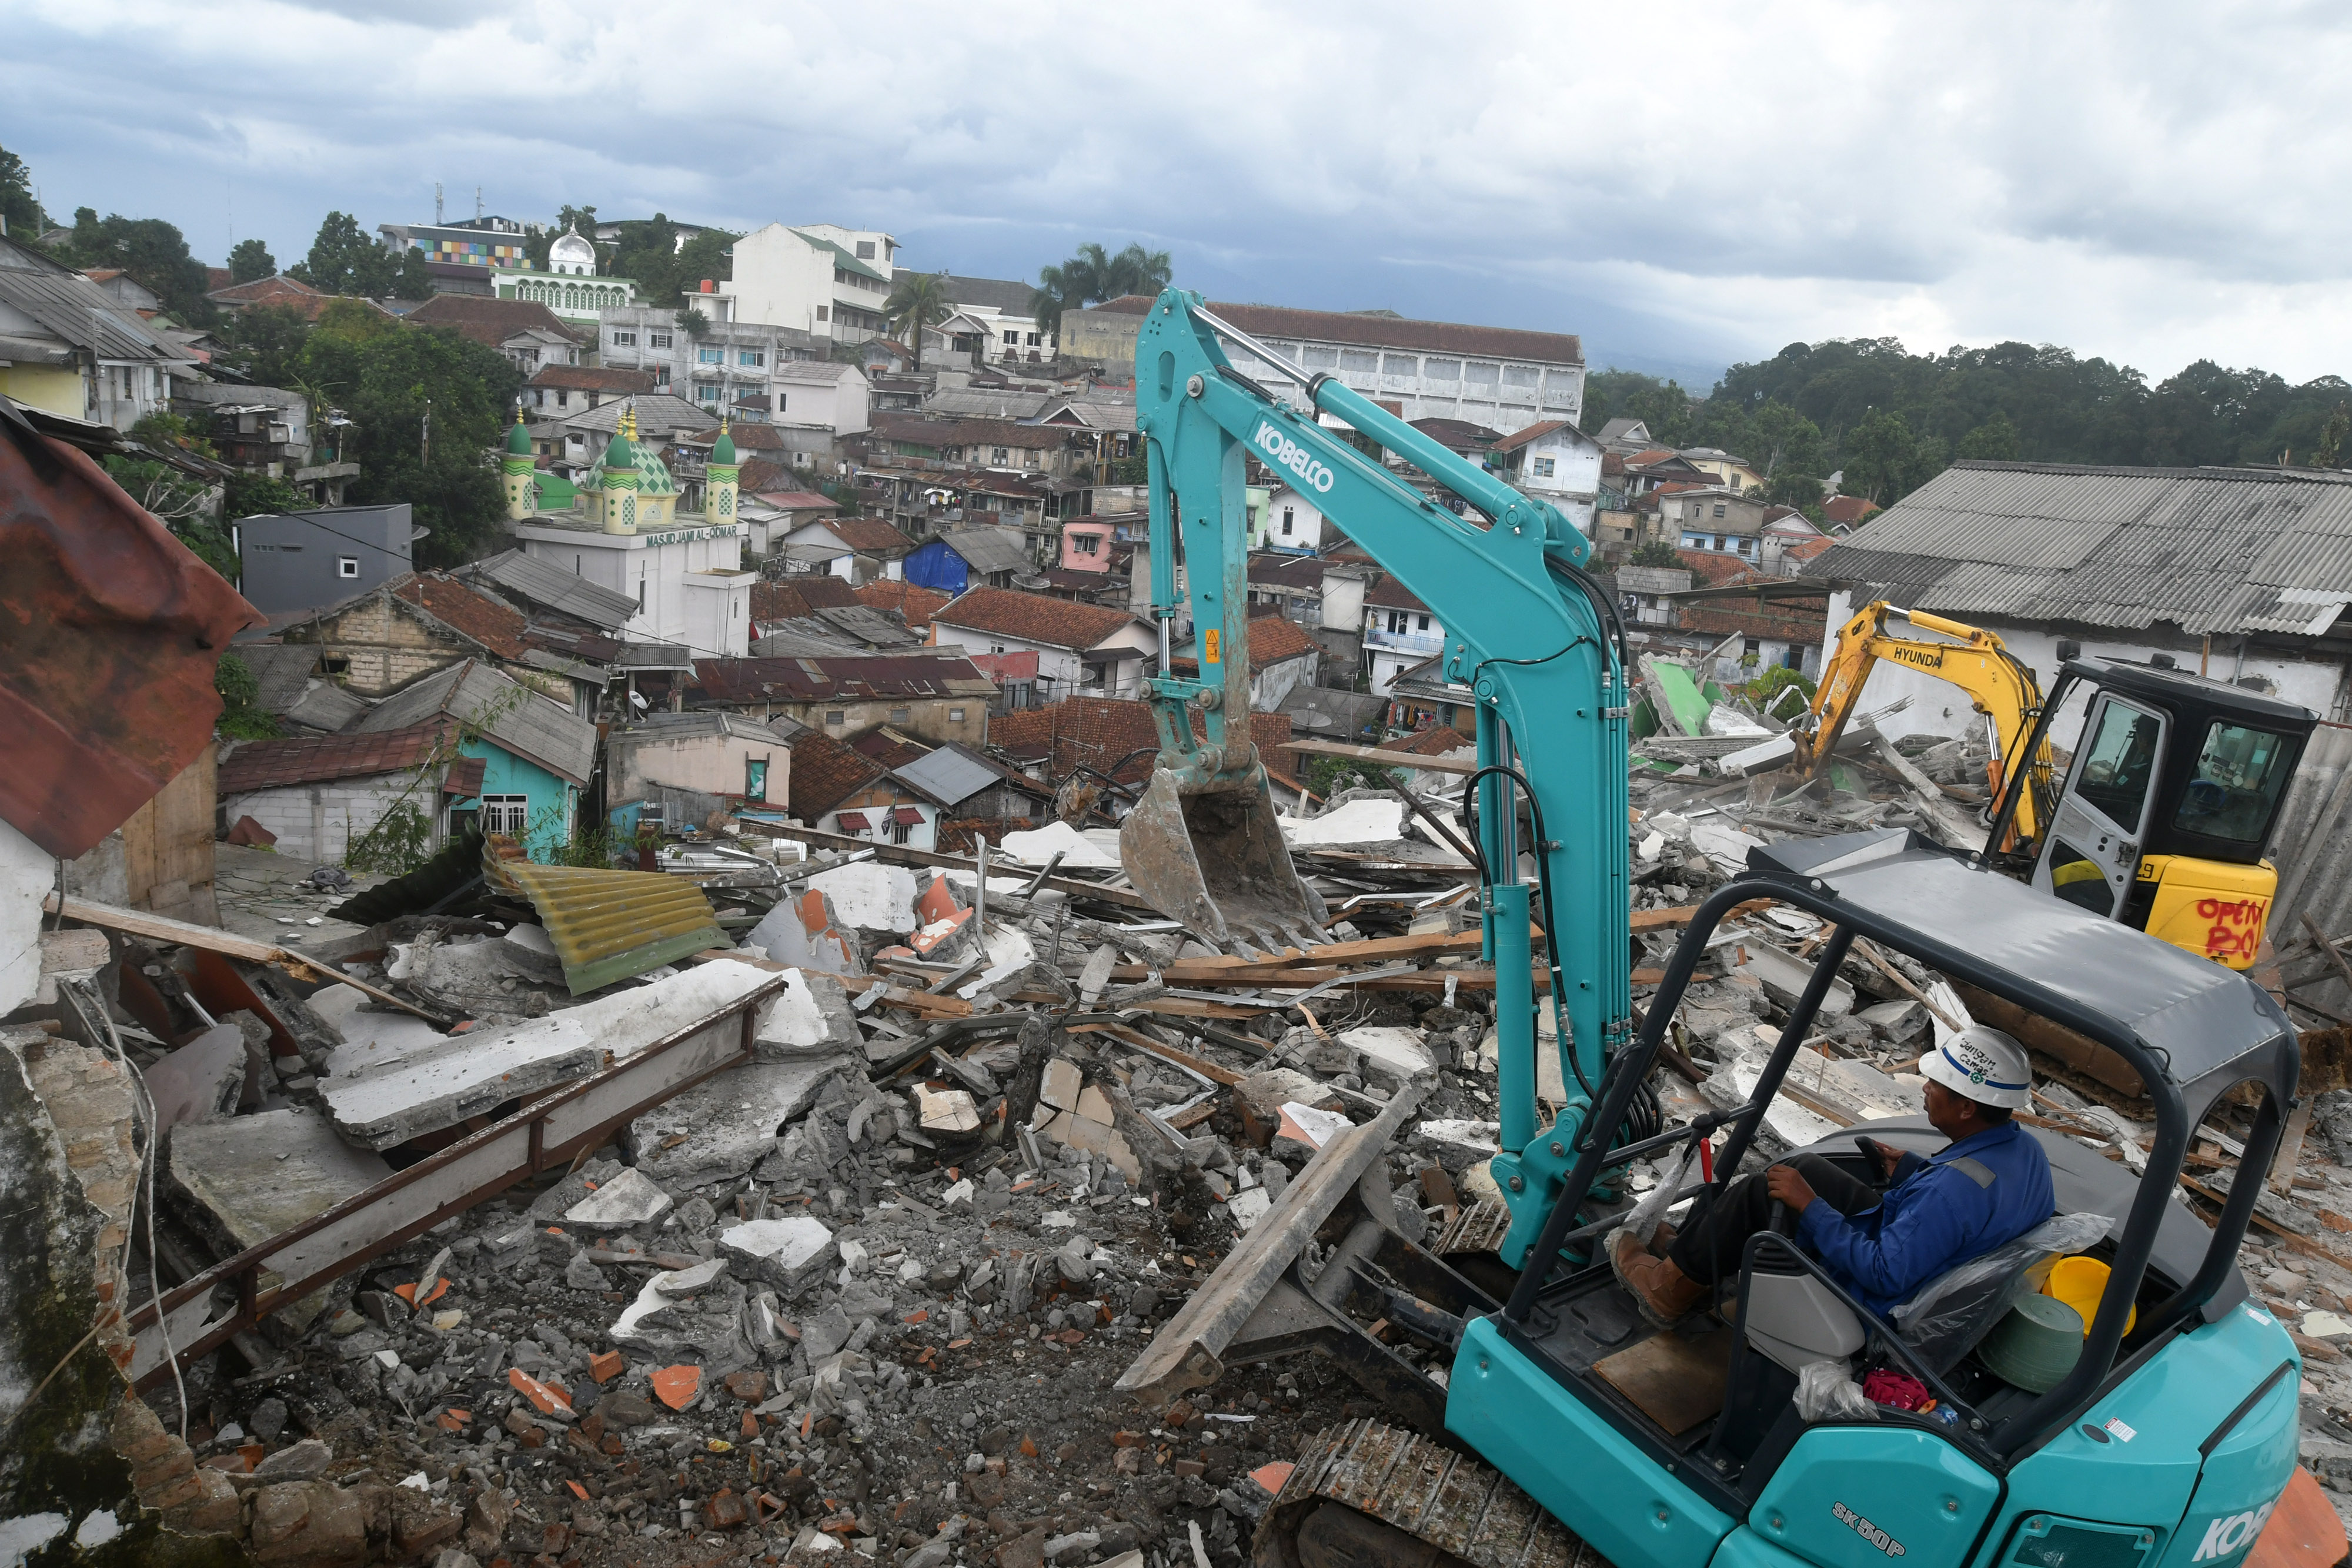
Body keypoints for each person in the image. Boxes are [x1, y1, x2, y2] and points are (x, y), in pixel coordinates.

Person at [1611, 1025, 2056, 1326]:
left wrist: (1812, 1206)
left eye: (1936, 1085)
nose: (1925, 1088)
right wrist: (1915, 1171)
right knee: (1802, 1168)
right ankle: (1694, 1246)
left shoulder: (1952, 1192)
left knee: (1765, 1190)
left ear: (1966, 1108)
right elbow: (1966, 1207)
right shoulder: (2024, 1151)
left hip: (1876, 1298)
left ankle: (1669, 1288)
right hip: (1923, 1253)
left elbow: (1884, 1273)